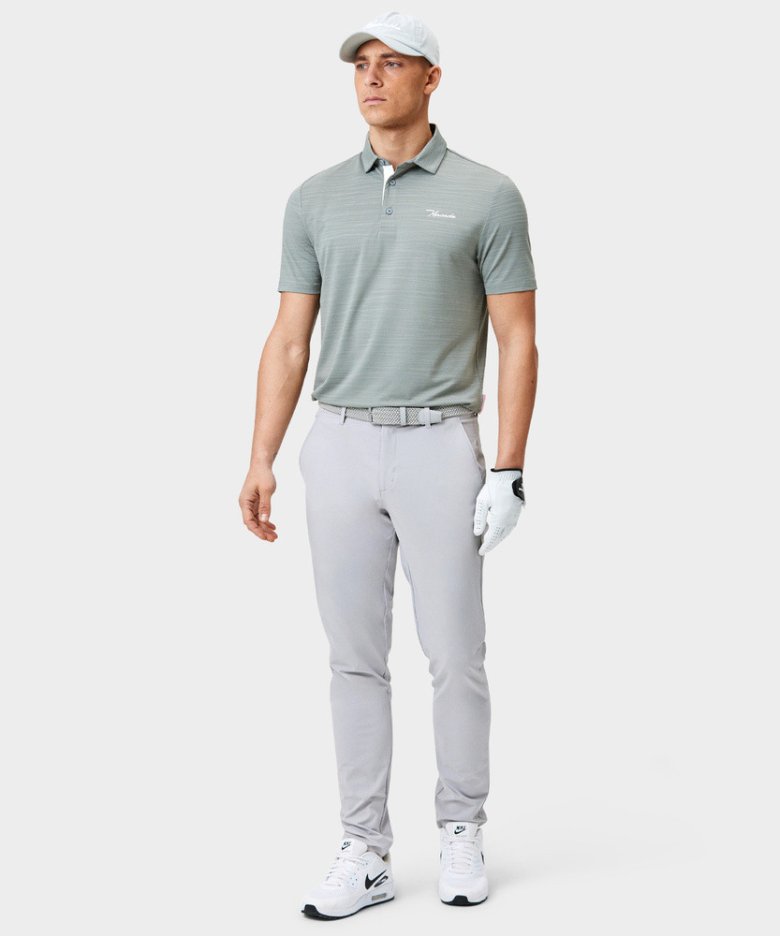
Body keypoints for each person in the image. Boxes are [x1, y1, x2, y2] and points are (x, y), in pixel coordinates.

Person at [238, 10, 538, 920]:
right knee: (353, 660)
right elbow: (290, 340)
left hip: (439, 442)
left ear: (431, 79)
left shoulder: (488, 195)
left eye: (393, 63)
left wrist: (509, 468)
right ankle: (364, 848)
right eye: (361, 64)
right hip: (337, 443)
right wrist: (261, 457)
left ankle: (461, 829)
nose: (371, 77)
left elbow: (518, 338)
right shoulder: (315, 198)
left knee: (456, 655)